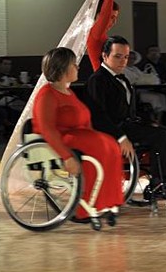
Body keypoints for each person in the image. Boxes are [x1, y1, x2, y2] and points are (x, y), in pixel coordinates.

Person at [32, 47, 123, 220]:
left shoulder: (69, 92)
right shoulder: (47, 94)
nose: (78, 67)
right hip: (60, 139)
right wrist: (66, 156)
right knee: (99, 147)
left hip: (78, 135)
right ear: (63, 68)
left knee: (111, 145)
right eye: (74, 64)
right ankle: (88, 206)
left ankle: (107, 202)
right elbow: (47, 128)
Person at [86, 35, 166, 199]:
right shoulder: (98, 80)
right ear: (104, 56)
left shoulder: (123, 78)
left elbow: (132, 109)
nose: (123, 61)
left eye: (125, 57)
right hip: (112, 129)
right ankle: (158, 182)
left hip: (129, 125)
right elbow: (98, 116)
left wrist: (148, 121)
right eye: (117, 56)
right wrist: (121, 137)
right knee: (161, 136)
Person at [86, 0, 119, 71]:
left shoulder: (99, 34)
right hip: (101, 81)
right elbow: (105, 15)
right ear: (99, 15)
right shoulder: (96, 33)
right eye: (112, 17)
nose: (115, 22)